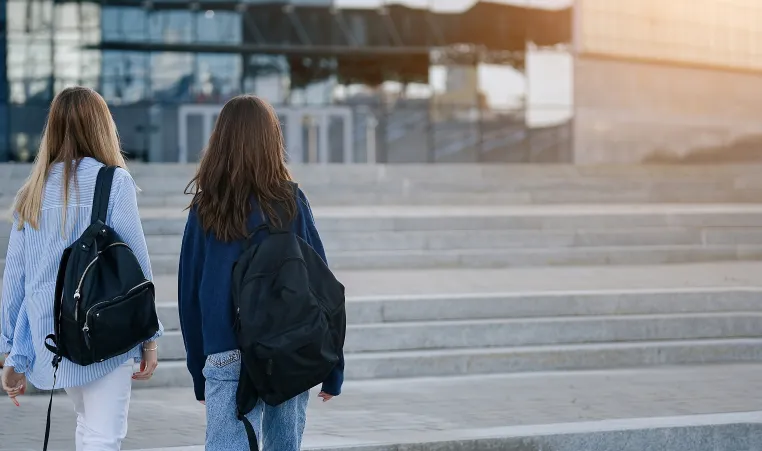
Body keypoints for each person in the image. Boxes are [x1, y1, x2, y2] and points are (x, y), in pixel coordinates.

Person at [0, 87, 162, 450]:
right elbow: (137, 263)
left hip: (57, 336)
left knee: (89, 426)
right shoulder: (114, 182)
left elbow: (16, 280)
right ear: (101, 127)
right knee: (103, 435)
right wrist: (149, 337)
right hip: (107, 329)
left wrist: (12, 351)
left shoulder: (33, 192)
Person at [179, 95, 344, 450]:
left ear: (219, 140)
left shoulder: (206, 207)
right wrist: (332, 368)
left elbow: (190, 295)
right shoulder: (290, 202)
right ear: (272, 141)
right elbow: (323, 290)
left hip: (225, 349)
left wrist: (199, 372)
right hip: (288, 344)